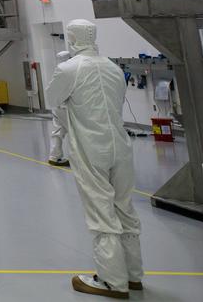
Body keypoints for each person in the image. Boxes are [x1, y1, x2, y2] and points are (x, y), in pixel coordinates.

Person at [46, 19, 142, 298]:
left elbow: (53, 98)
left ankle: (112, 280)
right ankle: (134, 275)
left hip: (91, 148)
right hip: (120, 147)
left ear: (72, 38)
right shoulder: (113, 68)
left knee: (101, 211)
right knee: (125, 209)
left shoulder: (69, 69)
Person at [48, 50, 72, 167]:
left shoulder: (57, 70)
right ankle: (79, 160)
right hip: (66, 108)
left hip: (57, 107)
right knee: (75, 133)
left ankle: (54, 156)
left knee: (58, 131)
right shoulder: (69, 70)